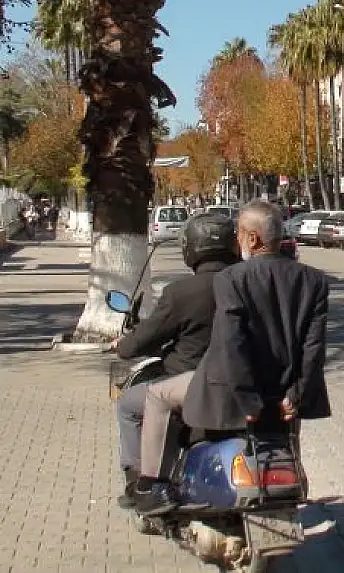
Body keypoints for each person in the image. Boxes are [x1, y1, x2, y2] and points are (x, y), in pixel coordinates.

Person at [134, 200, 332, 514]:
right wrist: (297, 393)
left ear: (253, 238)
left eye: (239, 232)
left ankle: (151, 484)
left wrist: (247, 400)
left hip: (231, 391)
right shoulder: (314, 280)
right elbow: (313, 346)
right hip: (283, 391)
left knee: (157, 395)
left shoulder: (232, 279)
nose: (236, 240)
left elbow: (231, 344)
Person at [113, 213, 239, 509]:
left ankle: (142, 484)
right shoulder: (250, 283)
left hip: (191, 384)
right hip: (248, 384)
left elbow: (139, 342)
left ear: (191, 248)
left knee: (129, 405)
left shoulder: (180, 293)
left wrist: (124, 344)